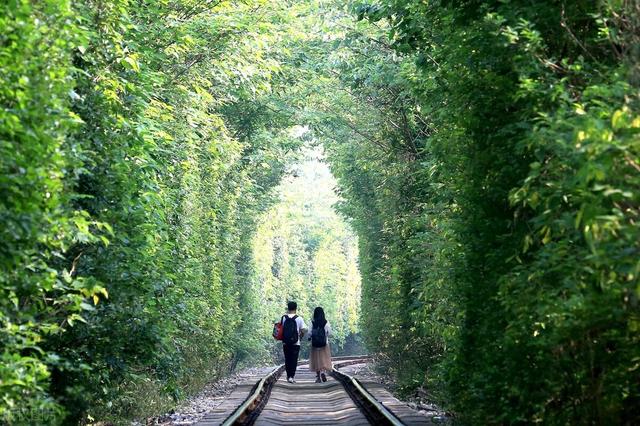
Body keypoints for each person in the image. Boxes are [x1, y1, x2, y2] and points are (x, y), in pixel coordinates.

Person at [281, 301, 307, 383]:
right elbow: (304, 329)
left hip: (285, 342)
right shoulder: (299, 318)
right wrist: (301, 336)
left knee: (287, 359)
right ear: (296, 308)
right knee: (294, 360)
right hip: (296, 343)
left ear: (288, 308)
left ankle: (288, 375)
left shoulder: (284, 318)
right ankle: (291, 377)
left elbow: (281, 328)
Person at [308, 306, 332, 383]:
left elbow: (309, 333)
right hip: (324, 343)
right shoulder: (326, 322)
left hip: (315, 344)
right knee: (324, 359)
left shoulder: (312, 322)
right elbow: (329, 332)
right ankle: (323, 372)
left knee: (316, 360)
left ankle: (318, 377)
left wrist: (311, 337)